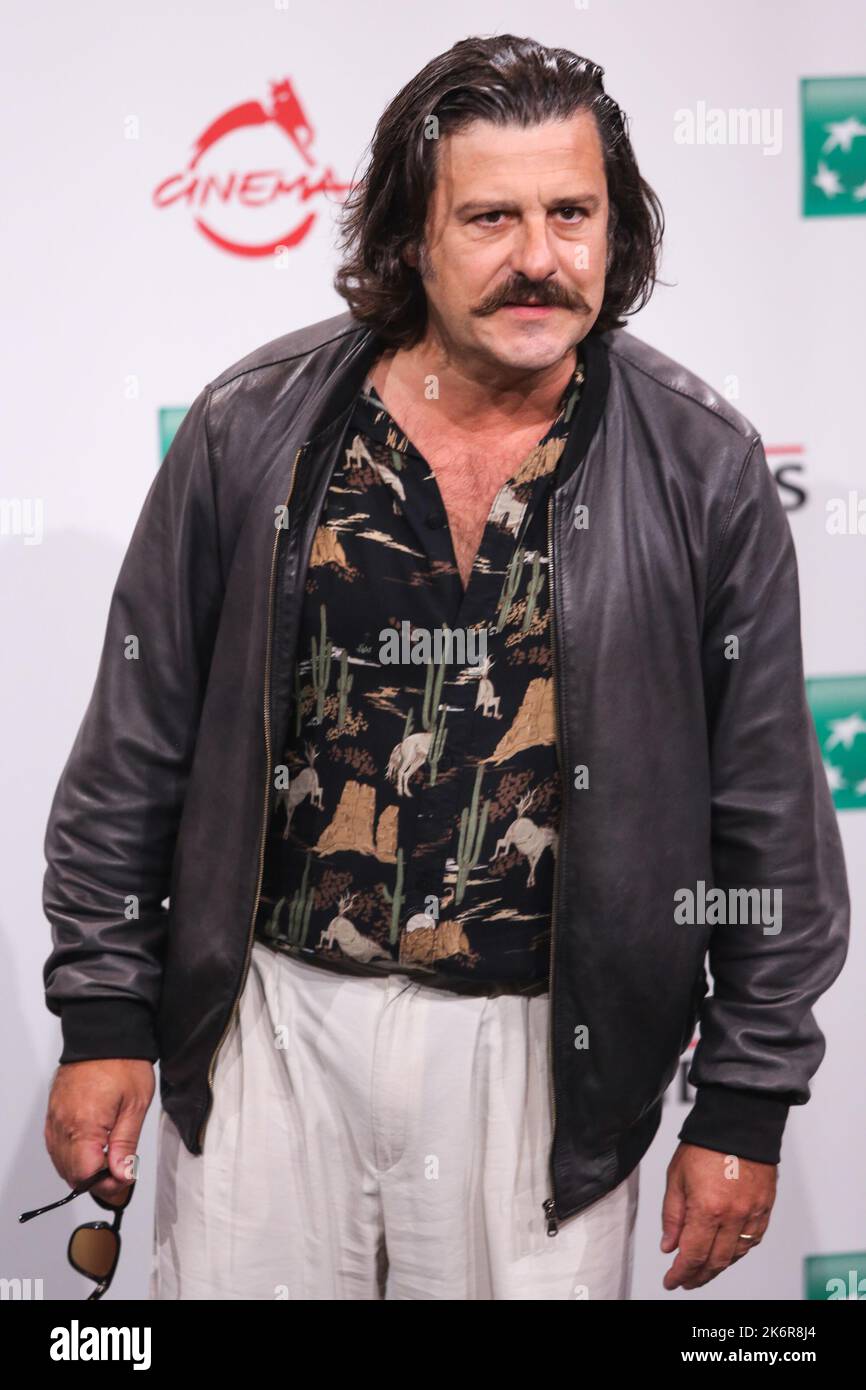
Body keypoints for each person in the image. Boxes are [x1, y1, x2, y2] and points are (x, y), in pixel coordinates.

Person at [41, 34, 849, 1300]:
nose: (538, 255)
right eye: (490, 216)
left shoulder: (701, 465)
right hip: (272, 1031)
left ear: (613, 224)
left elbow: (768, 820)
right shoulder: (250, 430)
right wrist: (102, 1015)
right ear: (412, 233)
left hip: (546, 1054)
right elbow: (132, 755)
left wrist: (742, 1099)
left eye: (570, 212)